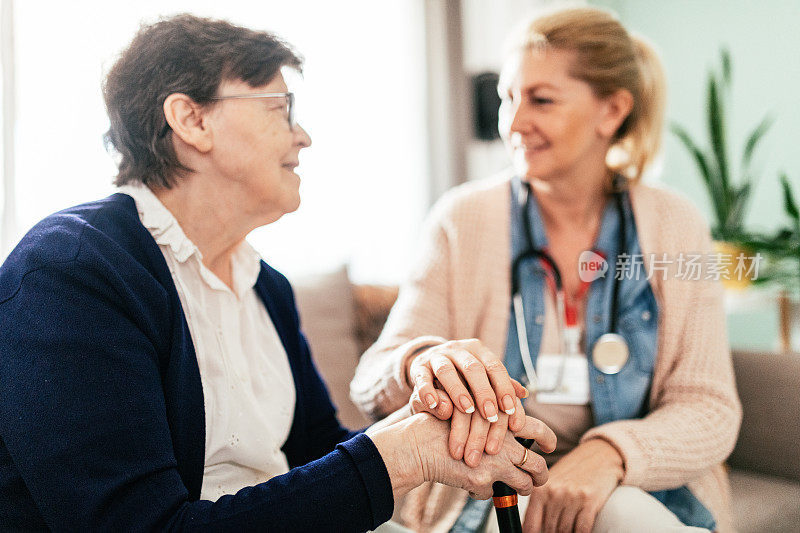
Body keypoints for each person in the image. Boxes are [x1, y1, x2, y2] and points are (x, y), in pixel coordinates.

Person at [0, 14, 557, 532]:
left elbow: (316, 454)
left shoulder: (266, 286)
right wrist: (398, 454)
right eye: (279, 108)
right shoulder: (73, 271)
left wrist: (427, 431)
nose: (303, 136)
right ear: (192, 120)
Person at [351, 7, 742, 533]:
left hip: (635, 484)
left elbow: (710, 407)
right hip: (493, 492)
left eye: (541, 100)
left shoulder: (675, 225)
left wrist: (609, 456)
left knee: (628, 514)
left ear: (612, 111)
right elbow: (374, 377)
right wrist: (421, 361)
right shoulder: (463, 219)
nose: (512, 124)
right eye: (508, 98)